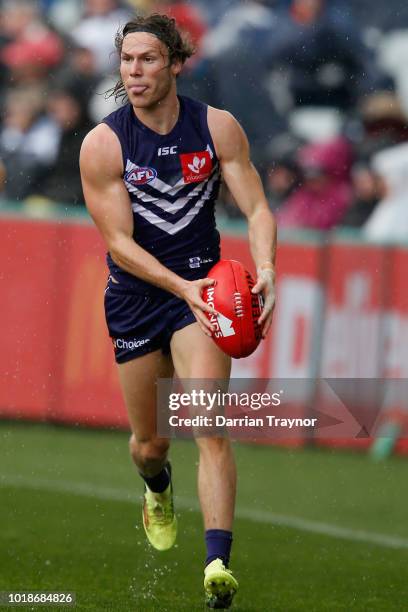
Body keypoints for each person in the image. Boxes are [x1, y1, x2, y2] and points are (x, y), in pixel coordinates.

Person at [79, 14, 276, 609]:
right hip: (138, 298)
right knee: (151, 443)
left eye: (147, 59)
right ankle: (155, 488)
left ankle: (217, 561)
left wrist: (264, 268)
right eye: (127, 60)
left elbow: (258, 209)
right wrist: (178, 287)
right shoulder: (104, 143)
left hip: (204, 296)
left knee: (208, 427)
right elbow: (119, 245)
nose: (133, 72)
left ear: (175, 63)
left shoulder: (216, 128)